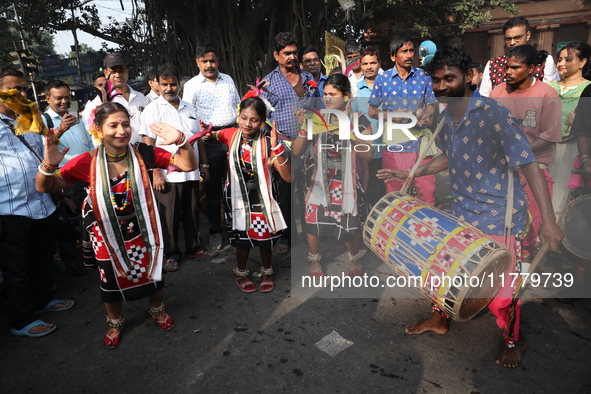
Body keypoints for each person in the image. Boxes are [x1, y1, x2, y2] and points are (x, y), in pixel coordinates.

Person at [377, 47, 563, 368]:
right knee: (441, 274)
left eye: (449, 78)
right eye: (436, 80)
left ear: (469, 78)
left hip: (500, 218)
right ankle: (440, 319)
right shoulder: (447, 115)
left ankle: (514, 340)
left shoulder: (494, 113)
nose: (441, 86)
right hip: (462, 215)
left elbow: (529, 163)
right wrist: (411, 172)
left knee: (502, 296)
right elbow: (448, 157)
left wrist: (548, 221)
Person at [36, 102, 198, 349]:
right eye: (113, 125)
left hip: (143, 227)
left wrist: (181, 141)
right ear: (98, 131)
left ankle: (157, 309)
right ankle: (115, 321)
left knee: (153, 273)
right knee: (110, 282)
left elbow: (188, 165)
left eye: (125, 124)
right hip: (106, 233)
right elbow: (45, 187)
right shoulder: (86, 162)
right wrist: (49, 165)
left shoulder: (145, 152)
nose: (122, 130)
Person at [0, 67, 74, 338]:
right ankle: (22, 319)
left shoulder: (30, 119)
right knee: (16, 267)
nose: (21, 94)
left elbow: (43, 151)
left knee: (42, 257)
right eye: (13, 90)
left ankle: (43, 300)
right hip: (10, 208)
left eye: (23, 89)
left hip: (41, 202)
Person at [202, 97, 290, 293]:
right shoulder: (231, 134)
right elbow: (213, 136)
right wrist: (206, 133)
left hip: (263, 197)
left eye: (254, 120)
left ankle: (267, 271)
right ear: (238, 116)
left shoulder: (269, 142)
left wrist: (276, 148)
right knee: (242, 237)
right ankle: (241, 272)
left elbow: (288, 177)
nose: (247, 124)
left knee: (265, 235)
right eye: (243, 118)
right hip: (237, 197)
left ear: (263, 121)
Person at [293, 74, 374, 277]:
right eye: (325, 94)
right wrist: (305, 129)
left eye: (333, 94)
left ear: (346, 96)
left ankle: (354, 256)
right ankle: (314, 259)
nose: (327, 98)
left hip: (345, 181)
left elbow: (368, 154)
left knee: (348, 224)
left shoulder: (359, 120)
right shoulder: (317, 118)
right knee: (313, 221)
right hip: (318, 178)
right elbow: (296, 152)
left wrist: (349, 132)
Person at [490, 45, 562, 267]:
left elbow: (548, 137)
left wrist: (517, 151)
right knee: (503, 224)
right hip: (501, 169)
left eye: (515, 67)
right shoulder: (497, 92)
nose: (508, 72)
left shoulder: (547, 94)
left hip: (534, 166)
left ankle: (523, 269)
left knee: (531, 224)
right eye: (506, 67)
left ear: (531, 68)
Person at [140, 64, 217, 273]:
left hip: (191, 170)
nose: (168, 88)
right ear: (157, 84)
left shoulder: (189, 107)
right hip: (167, 173)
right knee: (169, 217)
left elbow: (198, 137)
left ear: (179, 85)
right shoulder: (152, 109)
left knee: (192, 211)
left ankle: (194, 248)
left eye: (172, 84)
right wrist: (155, 171)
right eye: (164, 84)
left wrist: (204, 164)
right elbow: (147, 144)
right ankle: (171, 254)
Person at [261, 32, 320, 255]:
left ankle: (309, 234)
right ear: (276, 55)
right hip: (283, 145)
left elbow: (318, 108)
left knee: (309, 191)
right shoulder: (268, 83)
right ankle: (286, 237)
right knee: (285, 192)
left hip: (308, 143)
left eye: (294, 52)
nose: (292, 57)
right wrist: (270, 151)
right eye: (286, 53)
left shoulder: (308, 78)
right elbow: (263, 121)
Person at [182, 43, 241, 251]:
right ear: (197, 62)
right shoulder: (191, 85)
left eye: (212, 60)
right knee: (214, 188)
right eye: (204, 61)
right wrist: (200, 135)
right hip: (209, 141)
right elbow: (188, 116)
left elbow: (238, 107)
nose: (209, 65)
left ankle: (238, 228)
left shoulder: (228, 80)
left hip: (233, 136)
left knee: (236, 184)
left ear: (218, 61)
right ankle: (216, 232)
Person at [368, 35, 437, 205]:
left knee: (427, 192)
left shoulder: (424, 76)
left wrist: (427, 117)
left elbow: (431, 105)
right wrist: (392, 116)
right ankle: (397, 229)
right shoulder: (382, 80)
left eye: (411, 51)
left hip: (421, 142)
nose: (409, 55)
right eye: (403, 51)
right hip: (394, 144)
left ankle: (426, 229)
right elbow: (371, 110)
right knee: (396, 194)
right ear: (393, 56)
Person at [42, 80, 94, 276]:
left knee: (89, 217)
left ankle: (91, 253)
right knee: (68, 222)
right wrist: (60, 130)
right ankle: (71, 261)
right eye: (59, 98)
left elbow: (88, 142)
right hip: (64, 177)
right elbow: (44, 149)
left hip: (86, 174)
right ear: (47, 98)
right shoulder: (43, 120)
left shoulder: (75, 114)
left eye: (67, 97)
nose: (64, 101)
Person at [547, 42, 591, 216]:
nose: (561, 63)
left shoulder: (587, 89)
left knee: (564, 192)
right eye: (559, 59)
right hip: (547, 145)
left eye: (568, 59)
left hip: (575, 145)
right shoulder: (549, 87)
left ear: (583, 62)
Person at [479, 16, 560, 97]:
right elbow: (484, 97)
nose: (512, 42)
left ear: (528, 35)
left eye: (517, 38)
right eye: (508, 39)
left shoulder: (544, 61)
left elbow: (550, 93)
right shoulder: (493, 64)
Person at [82, 53, 147, 145]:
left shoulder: (141, 97)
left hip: (143, 153)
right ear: (105, 73)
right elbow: (92, 134)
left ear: (127, 71)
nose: (118, 75)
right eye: (113, 71)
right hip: (116, 156)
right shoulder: (98, 103)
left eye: (121, 70)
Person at [351, 47, 384, 206]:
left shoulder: (389, 86)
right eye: (365, 63)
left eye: (373, 63)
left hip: (390, 148)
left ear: (379, 63)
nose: (369, 67)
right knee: (369, 191)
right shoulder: (355, 90)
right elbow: (355, 121)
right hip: (368, 151)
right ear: (361, 65)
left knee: (388, 192)